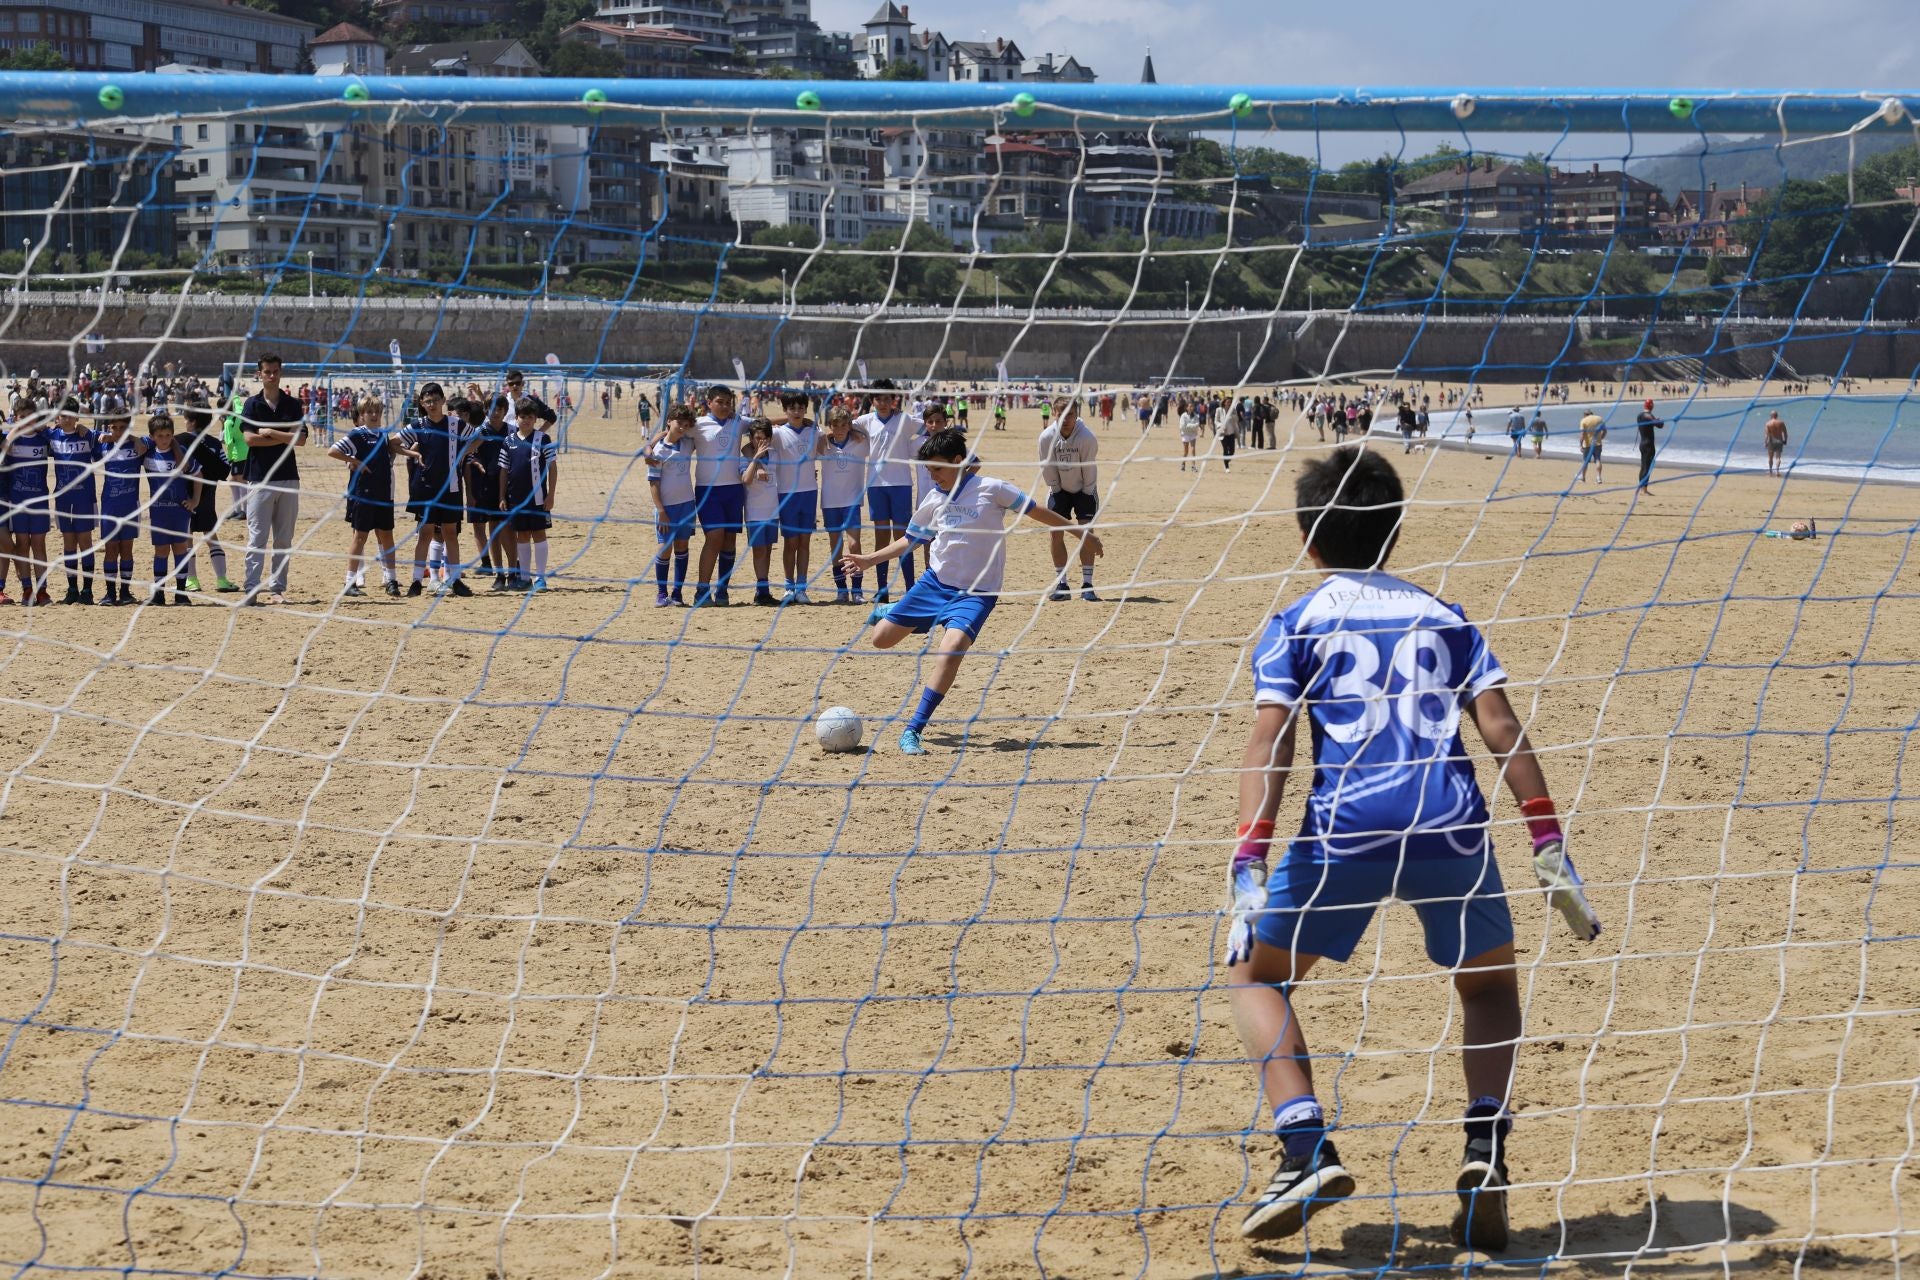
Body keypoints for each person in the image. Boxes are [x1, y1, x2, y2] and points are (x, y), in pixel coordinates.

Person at [1225, 445, 1601, 1246]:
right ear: (1394, 536)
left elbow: (1272, 743)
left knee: (1255, 976)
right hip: (1452, 827)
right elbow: (1500, 727)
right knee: (1489, 989)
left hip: (1346, 828)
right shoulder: (1446, 615)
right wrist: (1546, 838)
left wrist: (1249, 856)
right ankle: (1483, 1146)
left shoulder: (1294, 622)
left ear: (1308, 540)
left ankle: (1303, 1146)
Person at [843, 428, 1103, 756]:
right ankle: (900, 614)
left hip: (978, 594)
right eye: (928, 470)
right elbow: (911, 539)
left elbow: (1038, 511)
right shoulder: (934, 498)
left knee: (951, 649)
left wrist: (1081, 532)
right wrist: (868, 560)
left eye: (937, 468)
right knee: (881, 639)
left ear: (958, 462)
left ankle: (913, 729)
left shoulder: (991, 489)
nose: (932, 476)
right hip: (934, 585)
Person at [328, 395, 416, 597]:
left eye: (377, 411)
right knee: (360, 536)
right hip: (363, 494)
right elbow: (333, 451)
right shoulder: (357, 434)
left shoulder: (384, 434)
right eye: (369, 412)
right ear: (362, 415)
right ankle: (350, 581)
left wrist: (413, 454)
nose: (374, 415)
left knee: (387, 536)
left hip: (384, 493)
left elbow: (393, 449)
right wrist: (355, 461)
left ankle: (391, 580)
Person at [240, 354, 306, 606]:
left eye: (275, 371)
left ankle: (277, 588)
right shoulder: (252, 405)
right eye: (267, 371)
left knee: (283, 538)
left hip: (288, 477)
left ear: (280, 372)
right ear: (259, 374)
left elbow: (300, 439)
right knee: (257, 537)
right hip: (259, 478)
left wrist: (270, 432)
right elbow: (249, 439)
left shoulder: (292, 404)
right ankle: (251, 588)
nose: (271, 375)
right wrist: (284, 436)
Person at [398, 384, 474, 597]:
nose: (432, 404)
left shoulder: (455, 424)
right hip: (426, 490)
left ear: (443, 401)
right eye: (427, 401)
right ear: (422, 403)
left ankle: (455, 580)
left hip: (451, 488)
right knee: (426, 534)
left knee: (451, 533)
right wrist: (413, 455)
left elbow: (477, 437)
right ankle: (415, 581)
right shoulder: (418, 425)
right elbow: (393, 443)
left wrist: (462, 453)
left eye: (435, 400)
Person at [856, 378, 922, 604]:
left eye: (887, 399)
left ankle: (910, 588)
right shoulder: (864, 421)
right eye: (878, 399)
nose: (883, 403)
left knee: (904, 538)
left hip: (901, 485)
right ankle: (882, 589)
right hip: (876, 487)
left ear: (894, 400)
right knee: (881, 538)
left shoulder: (905, 420)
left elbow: (929, 427)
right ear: (872, 400)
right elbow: (842, 427)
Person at [1036, 396, 1102, 601]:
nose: (1066, 420)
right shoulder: (1046, 437)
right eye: (1061, 415)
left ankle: (1087, 585)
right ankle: (1062, 584)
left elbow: (1089, 469)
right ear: (1054, 415)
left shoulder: (1086, 438)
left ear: (1077, 415)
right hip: (1058, 490)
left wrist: (1087, 491)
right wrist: (1056, 490)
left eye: (1070, 415)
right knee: (1056, 535)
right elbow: (1047, 467)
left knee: (1085, 534)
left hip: (1085, 489)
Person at [690, 383, 745, 607]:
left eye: (727, 402)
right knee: (714, 537)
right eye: (719, 402)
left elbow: (766, 425)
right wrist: (650, 447)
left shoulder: (739, 422)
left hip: (734, 489)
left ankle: (722, 590)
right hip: (708, 491)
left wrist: (805, 422)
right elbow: (671, 432)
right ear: (709, 403)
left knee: (730, 540)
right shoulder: (698, 425)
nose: (724, 406)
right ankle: (702, 591)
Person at [501, 395, 559, 592]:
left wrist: (551, 495)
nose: (526, 420)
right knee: (522, 535)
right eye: (523, 416)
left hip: (538, 498)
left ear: (536, 419)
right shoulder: (508, 441)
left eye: (530, 417)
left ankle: (540, 578)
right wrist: (502, 496)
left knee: (539, 534)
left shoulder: (543, 439)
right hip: (515, 499)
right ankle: (524, 577)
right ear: (516, 417)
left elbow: (552, 467)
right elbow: (503, 470)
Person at [178, 394, 236, 593]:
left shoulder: (181, 441)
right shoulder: (214, 443)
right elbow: (224, 469)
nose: (184, 423)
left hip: (185, 497)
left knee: (187, 538)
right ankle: (222, 579)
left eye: (186, 419)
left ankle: (191, 579)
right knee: (211, 536)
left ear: (192, 422)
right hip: (208, 495)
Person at [141, 412, 199, 606]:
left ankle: (181, 593)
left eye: (168, 435)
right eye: (159, 436)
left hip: (179, 511)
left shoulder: (180, 451)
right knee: (161, 550)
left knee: (180, 548)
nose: (164, 439)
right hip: (158, 511)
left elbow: (198, 473)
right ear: (152, 436)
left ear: (172, 435)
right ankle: (159, 593)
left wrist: (195, 500)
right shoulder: (148, 453)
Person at [2, 395, 54, 605]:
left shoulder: (44, 439)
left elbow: (62, 436)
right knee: (23, 545)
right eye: (19, 417)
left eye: (28, 417)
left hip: (40, 501)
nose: (24, 420)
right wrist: (14, 432)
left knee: (39, 545)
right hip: (18, 503)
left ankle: (42, 590)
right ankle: (27, 589)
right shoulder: (10, 440)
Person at [769, 391, 819, 603]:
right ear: (785, 410)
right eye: (792, 408)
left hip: (809, 493)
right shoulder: (777, 433)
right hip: (786, 494)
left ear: (806, 408)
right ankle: (789, 586)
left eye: (801, 407)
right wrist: (786, 419)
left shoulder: (814, 431)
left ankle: (802, 587)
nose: (797, 411)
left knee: (805, 542)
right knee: (790, 542)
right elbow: (757, 423)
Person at [94, 402, 146, 606]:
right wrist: (103, 435)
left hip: (130, 507)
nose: (117, 431)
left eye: (123, 427)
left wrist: (133, 438)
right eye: (113, 427)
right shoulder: (102, 445)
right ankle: (110, 593)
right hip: (109, 507)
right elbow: (81, 430)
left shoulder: (138, 446)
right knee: (110, 550)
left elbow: (157, 440)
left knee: (126, 550)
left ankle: (125, 592)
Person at [49, 397, 100, 603]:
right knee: (68, 542)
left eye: (70, 416)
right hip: (63, 499)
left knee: (85, 542)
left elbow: (109, 440)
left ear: (76, 417)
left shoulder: (88, 436)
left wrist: (88, 431)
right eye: (63, 416)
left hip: (84, 498)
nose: (67, 420)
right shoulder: (52, 437)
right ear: (58, 418)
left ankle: (87, 590)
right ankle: (72, 589)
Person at [817, 406, 870, 603]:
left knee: (854, 543)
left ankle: (857, 590)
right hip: (830, 501)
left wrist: (854, 430)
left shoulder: (860, 442)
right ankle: (841, 590)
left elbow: (870, 429)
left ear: (849, 425)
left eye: (843, 425)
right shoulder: (822, 444)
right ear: (829, 426)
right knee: (835, 545)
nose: (839, 429)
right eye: (835, 425)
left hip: (852, 500)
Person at [648, 403, 697, 607]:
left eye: (686, 425)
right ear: (669, 421)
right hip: (666, 508)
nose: (682, 428)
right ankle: (661, 593)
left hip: (687, 504)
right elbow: (653, 483)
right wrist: (661, 510)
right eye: (679, 423)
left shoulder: (687, 444)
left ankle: (677, 593)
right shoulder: (658, 451)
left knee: (682, 546)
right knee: (664, 548)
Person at [466, 396, 512, 590]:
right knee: (493, 530)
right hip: (488, 487)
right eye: (491, 409)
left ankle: (515, 571)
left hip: (510, 487)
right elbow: (466, 453)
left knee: (510, 531)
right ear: (486, 411)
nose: (495, 412)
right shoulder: (481, 431)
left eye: (499, 409)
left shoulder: (512, 431)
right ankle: (499, 573)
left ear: (504, 410)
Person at [739, 419, 781, 606]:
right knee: (759, 551)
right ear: (751, 439)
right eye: (757, 439)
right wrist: (756, 459)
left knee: (768, 550)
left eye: (764, 439)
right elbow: (746, 480)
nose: (761, 442)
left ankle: (764, 589)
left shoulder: (775, 454)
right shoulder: (745, 456)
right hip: (755, 512)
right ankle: (761, 590)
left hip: (773, 510)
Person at [1634, 398, 1666, 494]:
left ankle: (1640, 488)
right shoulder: (1648, 415)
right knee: (1647, 468)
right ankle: (1644, 490)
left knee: (1643, 466)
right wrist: (1660, 420)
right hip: (1649, 445)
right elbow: (1660, 425)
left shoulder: (1639, 415)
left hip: (1642, 444)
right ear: (1652, 406)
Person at [1577, 410, 1605, 484]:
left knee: (1585, 461)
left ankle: (1583, 478)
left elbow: (1582, 434)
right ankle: (1599, 477)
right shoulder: (1599, 418)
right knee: (1598, 460)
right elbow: (1605, 431)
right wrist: (1601, 438)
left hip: (1587, 444)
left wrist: (1580, 444)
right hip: (1597, 443)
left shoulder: (1584, 421)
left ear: (1585, 414)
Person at [1764, 409, 1788, 477]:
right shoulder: (1781, 423)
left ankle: (1771, 471)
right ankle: (1777, 471)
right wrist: (1785, 440)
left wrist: (1765, 442)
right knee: (1778, 457)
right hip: (1779, 441)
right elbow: (1785, 433)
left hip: (1771, 441)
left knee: (1770, 457)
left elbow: (1766, 435)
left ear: (1771, 416)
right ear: (1777, 415)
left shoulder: (1768, 423)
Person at [1178, 402, 1201, 470]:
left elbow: (1197, 424)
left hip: (1193, 434)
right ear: (1187, 408)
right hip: (1185, 434)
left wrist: (1189, 426)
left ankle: (1193, 465)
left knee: (1193, 449)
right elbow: (1182, 426)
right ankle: (1183, 463)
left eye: (1192, 406)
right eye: (1190, 406)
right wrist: (1192, 426)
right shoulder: (1183, 416)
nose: (1191, 408)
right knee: (1186, 451)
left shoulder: (1196, 415)